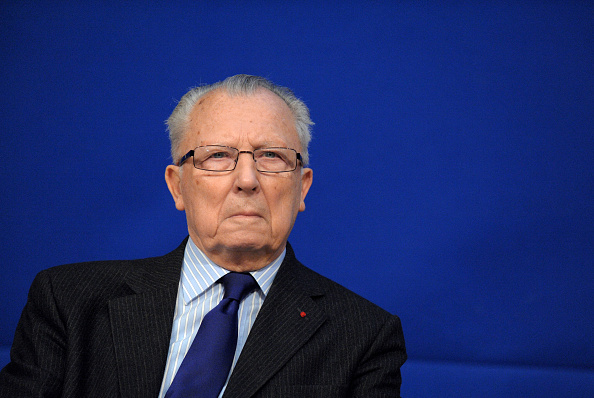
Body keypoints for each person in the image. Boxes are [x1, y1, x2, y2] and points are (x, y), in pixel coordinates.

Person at [0, 74, 406, 397]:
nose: (247, 180)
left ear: (302, 187)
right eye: (217, 156)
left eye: (271, 156)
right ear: (178, 186)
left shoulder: (365, 336)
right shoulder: (67, 301)